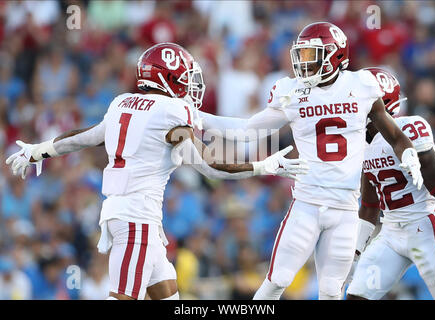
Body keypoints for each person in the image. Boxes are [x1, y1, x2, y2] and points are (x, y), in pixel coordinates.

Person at [5, 42, 308, 300]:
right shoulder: (171, 113)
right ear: (169, 78)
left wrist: (38, 150)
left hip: (132, 218)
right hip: (136, 220)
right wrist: (264, 166)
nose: (191, 85)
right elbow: (209, 166)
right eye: (185, 77)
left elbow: (84, 137)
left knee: (169, 293)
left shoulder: (125, 103)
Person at [198, 22, 424, 300]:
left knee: (331, 292)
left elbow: (393, 133)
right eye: (301, 54)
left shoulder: (361, 85)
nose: (303, 63)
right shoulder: (291, 91)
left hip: (345, 208)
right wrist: (200, 118)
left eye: (311, 55)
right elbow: (248, 130)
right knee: (277, 280)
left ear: (335, 55)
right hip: (307, 202)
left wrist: (409, 154)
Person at [346, 67, 435, 300]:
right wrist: (355, 253)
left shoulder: (409, 129)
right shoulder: (360, 142)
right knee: (356, 296)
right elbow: (370, 205)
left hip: (424, 227)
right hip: (391, 232)